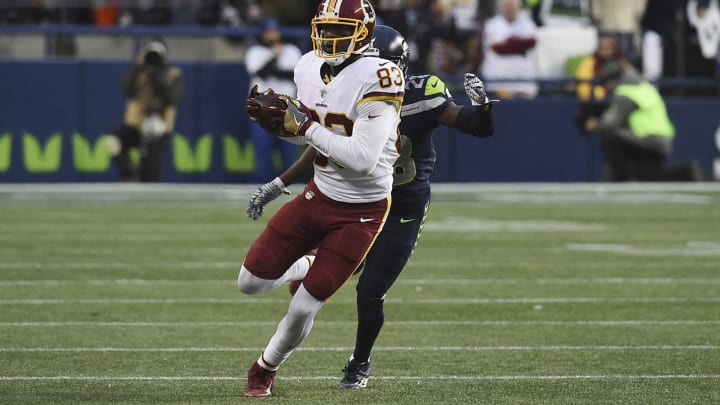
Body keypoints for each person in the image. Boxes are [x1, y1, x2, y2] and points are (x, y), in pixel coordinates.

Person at [245, 25, 497, 389]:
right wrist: (280, 182)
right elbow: (324, 145)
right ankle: (306, 265)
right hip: (354, 200)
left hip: (401, 207)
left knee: (370, 290)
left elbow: (476, 127)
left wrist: (484, 107)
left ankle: (359, 362)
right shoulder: (348, 86)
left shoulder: (418, 93)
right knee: (328, 272)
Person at [237, 0, 405, 397]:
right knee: (249, 282)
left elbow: (362, 159)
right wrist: (279, 124)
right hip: (320, 192)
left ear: (364, 32)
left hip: (362, 210)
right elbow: (310, 132)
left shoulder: (381, 75)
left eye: (339, 28)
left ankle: (264, 370)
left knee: (302, 308)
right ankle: (305, 264)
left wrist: (305, 126)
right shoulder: (308, 65)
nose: (329, 37)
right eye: (324, 28)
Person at [583, 61, 704, 181]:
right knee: (651, 175)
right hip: (660, 140)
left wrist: (594, 124)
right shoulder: (643, 86)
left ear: (612, 80)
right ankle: (687, 171)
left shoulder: (625, 92)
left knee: (611, 136)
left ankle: (619, 177)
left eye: (606, 83)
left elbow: (612, 122)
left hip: (648, 140)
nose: (606, 88)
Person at [104, 40, 183, 182]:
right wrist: (138, 67)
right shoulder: (139, 72)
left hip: (159, 128)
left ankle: (147, 189)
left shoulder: (172, 74)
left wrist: (159, 77)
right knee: (112, 138)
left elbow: (173, 98)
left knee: (151, 175)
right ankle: (129, 171)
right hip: (135, 124)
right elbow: (126, 90)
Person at [244, 18, 303, 183]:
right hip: (262, 110)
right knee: (262, 156)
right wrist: (274, 57)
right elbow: (260, 73)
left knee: (289, 158)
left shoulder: (291, 50)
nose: (272, 35)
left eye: (275, 31)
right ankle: (261, 190)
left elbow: (295, 76)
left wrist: (275, 69)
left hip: (288, 110)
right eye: (268, 31)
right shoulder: (255, 52)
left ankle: (291, 191)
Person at [481, 0, 538, 98]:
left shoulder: (527, 23)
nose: (510, 9)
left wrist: (510, 42)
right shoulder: (492, 24)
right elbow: (498, 48)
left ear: (518, 7)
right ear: (501, 7)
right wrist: (519, 44)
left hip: (523, 81)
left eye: (512, 6)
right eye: (507, 5)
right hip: (497, 80)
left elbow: (531, 42)